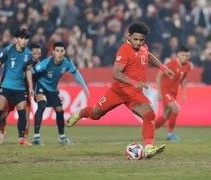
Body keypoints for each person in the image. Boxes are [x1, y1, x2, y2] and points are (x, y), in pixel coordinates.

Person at [66, 21, 175, 159]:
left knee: (149, 114)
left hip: (134, 94)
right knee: (95, 114)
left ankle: (148, 147)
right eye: (135, 39)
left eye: (141, 40)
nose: (138, 43)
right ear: (129, 36)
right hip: (118, 92)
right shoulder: (124, 50)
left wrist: (163, 67)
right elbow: (116, 73)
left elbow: (148, 55)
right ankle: (80, 113)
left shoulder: (143, 47)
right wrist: (134, 82)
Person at [32, 42, 89, 145]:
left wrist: (85, 88)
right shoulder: (46, 63)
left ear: (64, 52)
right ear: (53, 52)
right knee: (42, 105)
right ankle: (36, 137)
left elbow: (76, 73)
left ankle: (62, 137)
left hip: (53, 89)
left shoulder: (67, 63)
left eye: (61, 51)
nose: (59, 53)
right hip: (41, 85)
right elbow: (31, 71)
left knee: (60, 110)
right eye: (57, 51)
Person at [0, 28, 34, 146]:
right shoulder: (8, 50)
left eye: (26, 39)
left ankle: (21, 139)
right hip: (6, 86)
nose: (24, 41)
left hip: (20, 88)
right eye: (22, 38)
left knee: (22, 114)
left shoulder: (28, 53)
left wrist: (30, 86)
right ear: (17, 39)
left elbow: (28, 70)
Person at [0, 43, 42, 144]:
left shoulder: (39, 66)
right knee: (2, 116)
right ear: (29, 53)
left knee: (26, 115)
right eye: (34, 53)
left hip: (24, 92)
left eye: (38, 53)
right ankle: (2, 132)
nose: (36, 56)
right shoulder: (21, 60)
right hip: (10, 90)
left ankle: (23, 138)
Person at [155, 45, 192, 141]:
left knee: (165, 116)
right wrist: (159, 92)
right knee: (176, 109)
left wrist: (183, 93)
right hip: (166, 91)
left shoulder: (188, 65)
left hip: (173, 93)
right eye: (183, 55)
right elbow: (158, 76)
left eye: (187, 56)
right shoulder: (171, 64)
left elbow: (183, 79)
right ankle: (170, 134)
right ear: (178, 55)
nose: (185, 57)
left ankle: (149, 130)